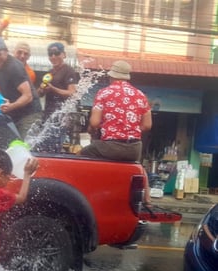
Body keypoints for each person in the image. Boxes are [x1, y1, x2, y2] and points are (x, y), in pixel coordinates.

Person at [78, 60, 154, 208]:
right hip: (134, 148)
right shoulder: (140, 95)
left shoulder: (104, 93)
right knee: (138, 166)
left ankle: (86, 193)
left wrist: (93, 130)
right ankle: (148, 200)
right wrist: (130, 130)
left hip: (111, 146)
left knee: (83, 155)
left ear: (111, 77)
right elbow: (147, 125)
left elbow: (94, 123)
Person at [37, 42, 78, 122]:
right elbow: (39, 94)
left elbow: (72, 93)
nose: (53, 56)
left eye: (57, 53)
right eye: (50, 54)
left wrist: (53, 89)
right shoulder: (49, 72)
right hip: (48, 114)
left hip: (61, 115)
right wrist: (42, 89)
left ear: (64, 54)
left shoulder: (68, 70)